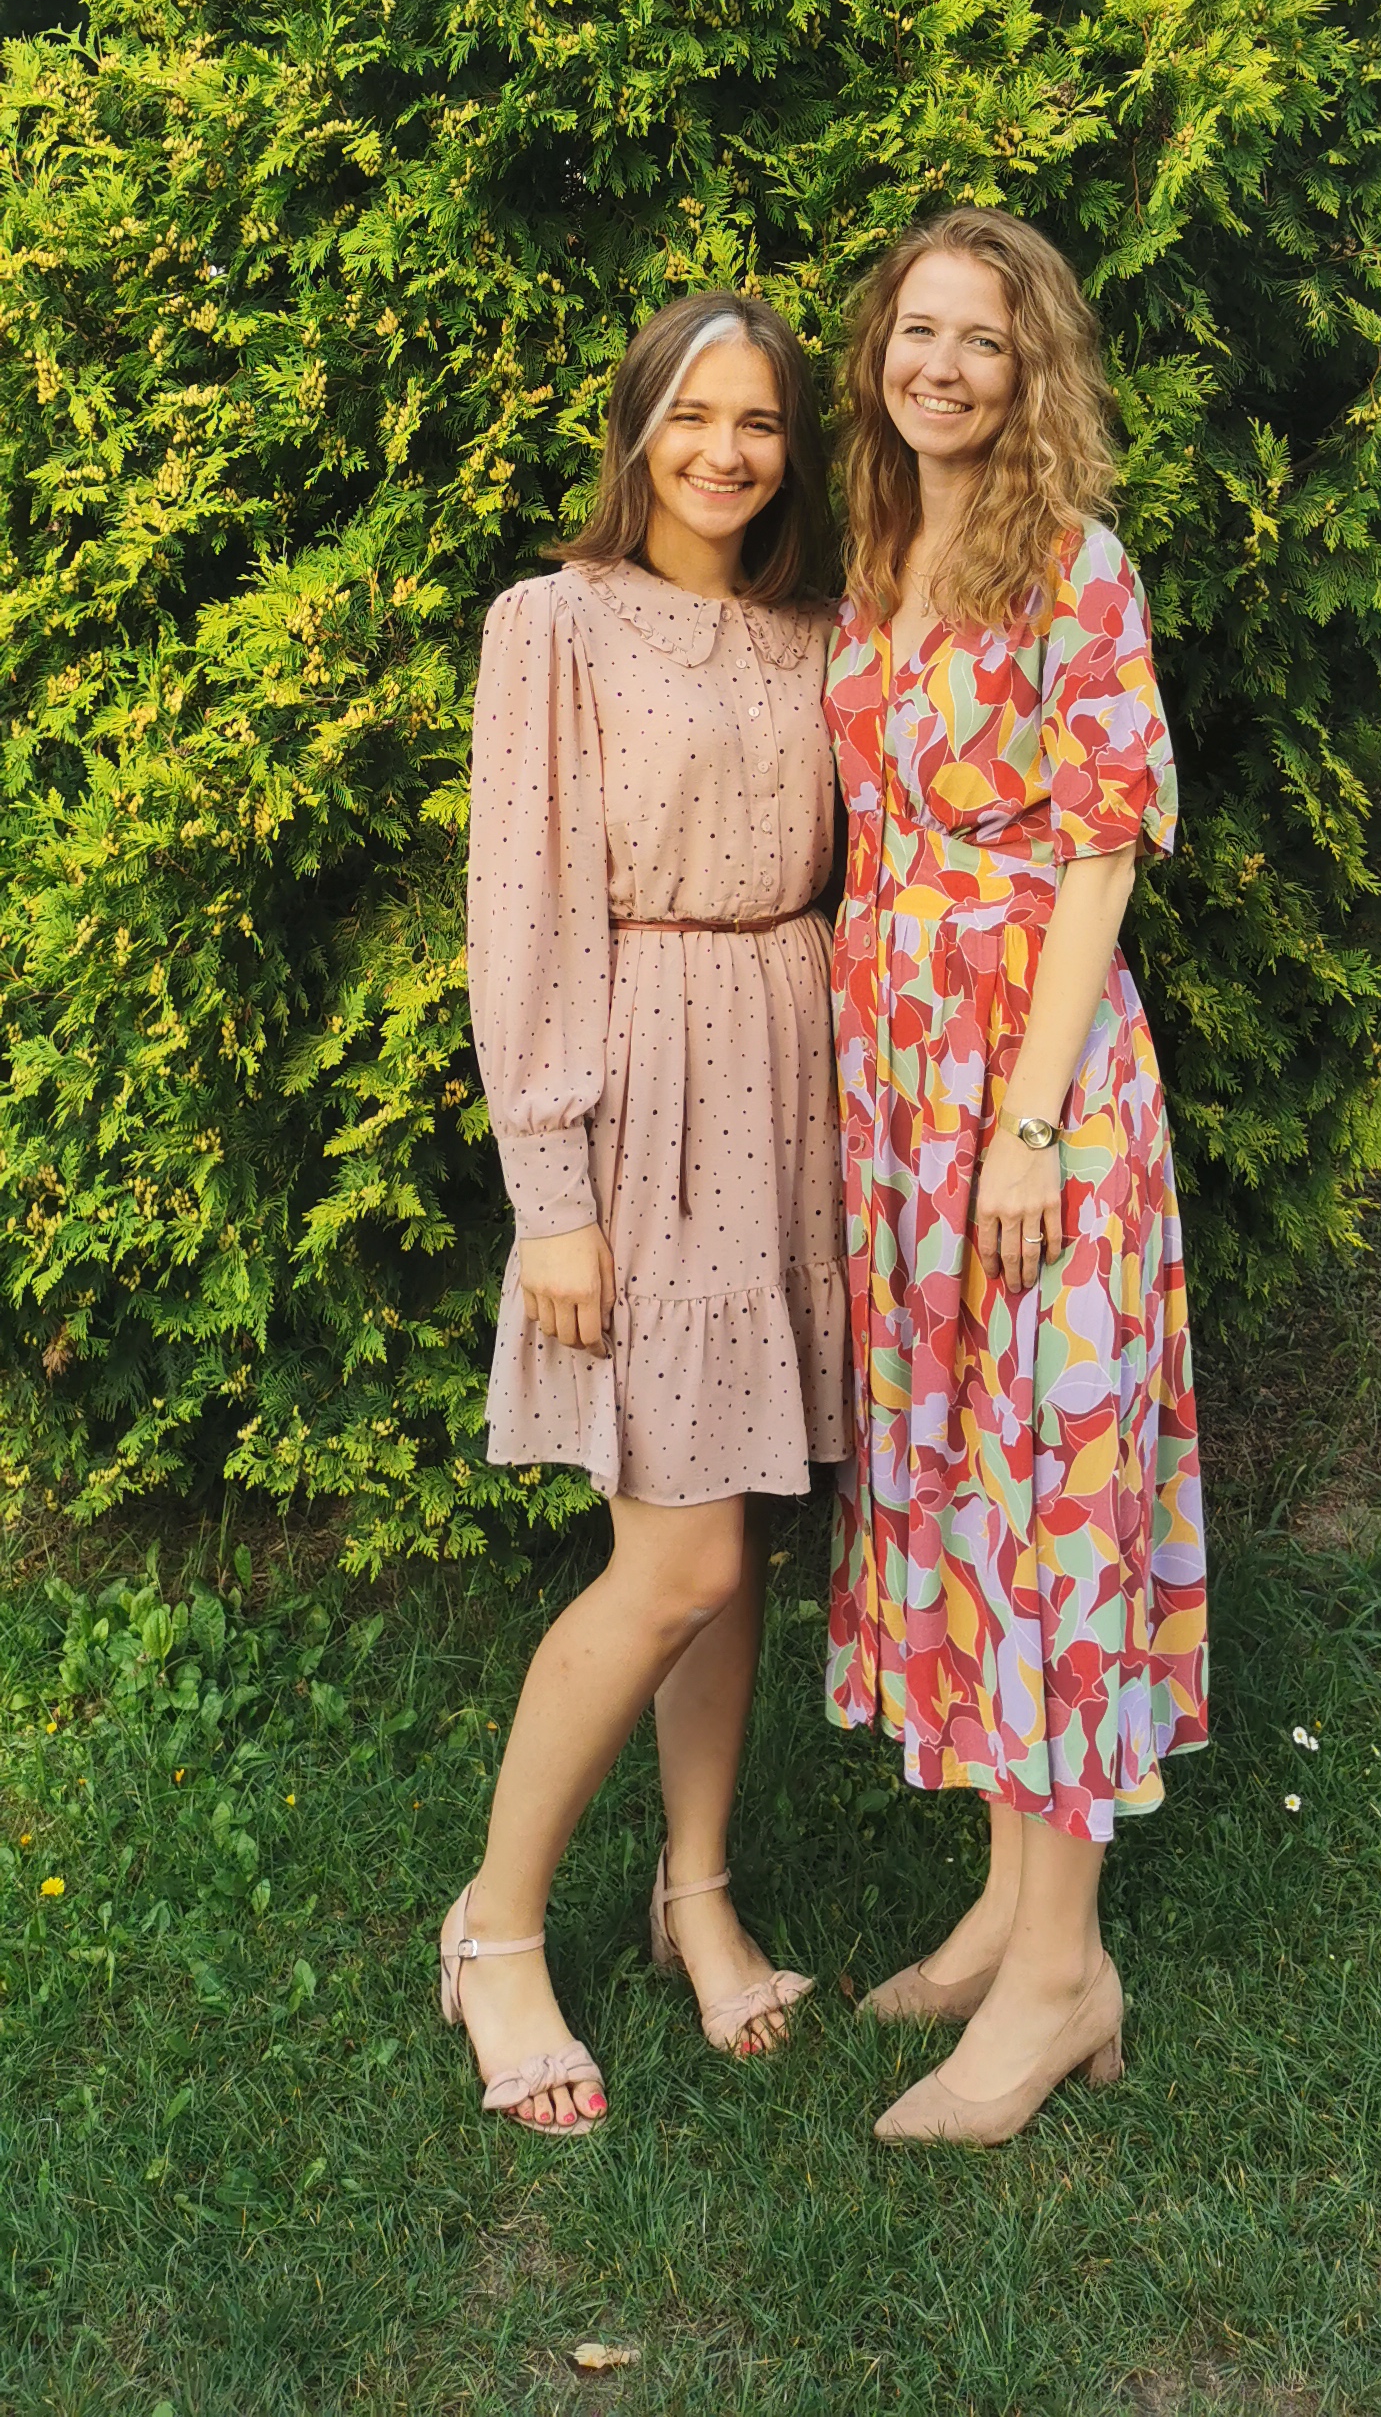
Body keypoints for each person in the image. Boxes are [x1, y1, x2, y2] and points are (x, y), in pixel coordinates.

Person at [441, 295, 847, 2136]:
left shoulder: (817, 629)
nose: (725, 452)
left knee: (736, 1533)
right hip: (645, 1096)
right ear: (638, 429)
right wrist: (554, 1192)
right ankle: (496, 1928)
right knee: (670, 1560)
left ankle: (699, 1895)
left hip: (791, 1074)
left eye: (758, 422)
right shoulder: (557, 624)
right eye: (694, 415)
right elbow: (522, 910)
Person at [823, 207, 1208, 2143]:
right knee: (973, 1492)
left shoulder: (1076, 563)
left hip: (1034, 1102)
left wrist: (1032, 1125)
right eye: (920, 329)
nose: (945, 366)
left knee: (1051, 1493)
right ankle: (1004, 1909)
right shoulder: (879, 549)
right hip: (902, 1102)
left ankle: (1066, 1976)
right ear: (880, 351)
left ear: (1033, 366)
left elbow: (1102, 848)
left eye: (984, 339)